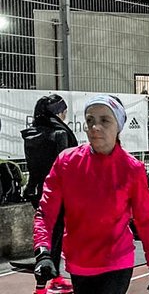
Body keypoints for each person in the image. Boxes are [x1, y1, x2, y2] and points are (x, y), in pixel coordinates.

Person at [33, 95, 149, 294]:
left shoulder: (132, 169)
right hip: (79, 263)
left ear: (118, 126)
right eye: (90, 120)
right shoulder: (66, 162)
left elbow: (145, 220)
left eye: (105, 120)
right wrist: (43, 252)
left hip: (117, 262)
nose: (95, 127)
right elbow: (46, 212)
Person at [21, 94, 78, 294]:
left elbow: (33, 166)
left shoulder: (31, 133)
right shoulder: (60, 134)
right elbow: (66, 166)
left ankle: (52, 280)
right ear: (57, 112)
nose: (65, 115)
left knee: (48, 236)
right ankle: (46, 284)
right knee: (54, 239)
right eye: (63, 111)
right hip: (56, 193)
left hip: (37, 191)